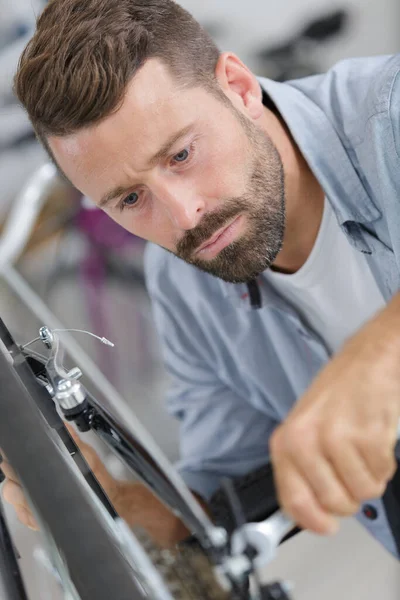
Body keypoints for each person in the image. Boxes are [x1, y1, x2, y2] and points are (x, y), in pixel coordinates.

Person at [3, 0, 400, 559]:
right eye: (131, 198)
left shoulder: (389, 114)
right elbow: (223, 500)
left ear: (238, 87)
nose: (183, 215)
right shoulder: (183, 285)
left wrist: (376, 357)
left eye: (182, 154)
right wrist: (113, 502)